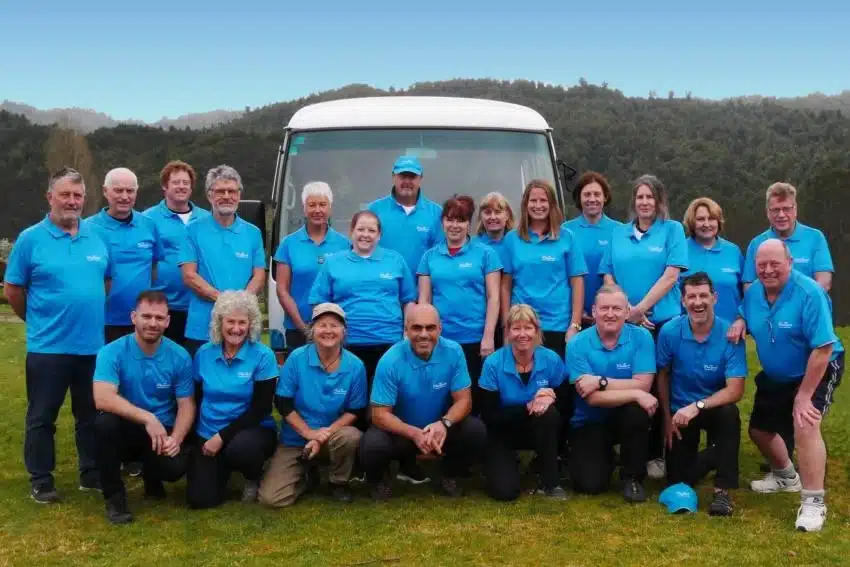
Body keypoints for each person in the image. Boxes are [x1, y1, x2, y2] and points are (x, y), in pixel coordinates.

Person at [4, 167, 110, 503]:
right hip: (48, 347)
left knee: (90, 415)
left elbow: (105, 281)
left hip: (91, 346)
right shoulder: (30, 239)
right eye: (65, 194)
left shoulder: (95, 237)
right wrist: (36, 319)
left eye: (78, 196)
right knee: (42, 416)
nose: (72, 201)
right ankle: (41, 479)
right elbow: (14, 289)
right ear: (50, 197)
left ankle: (90, 473)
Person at [728, 239, 844, 532]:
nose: (768, 270)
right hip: (778, 374)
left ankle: (813, 502)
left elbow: (823, 348)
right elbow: (746, 310)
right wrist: (741, 321)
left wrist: (804, 396)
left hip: (816, 367)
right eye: (761, 265)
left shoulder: (809, 293)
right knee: (759, 431)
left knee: (804, 422)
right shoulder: (754, 292)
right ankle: (786, 477)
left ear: (789, 263)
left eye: (774, 264)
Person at [599, 174, 688, 480]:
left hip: (661, 323)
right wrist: (625, 312)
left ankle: (660, 453)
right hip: (626, 324)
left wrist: (639, 310)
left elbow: (671, 275)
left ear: (659, 201)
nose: (645, 202)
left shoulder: (672, 230)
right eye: (640, 197)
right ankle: (629, 450)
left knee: (663, 389)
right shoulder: (619, 234)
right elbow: (607, 275)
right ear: (633, 202)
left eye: (650, 197)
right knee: (632, 386)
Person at [359, 304, 487, 500]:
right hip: (402, 431)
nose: (424, 334)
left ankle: (448, 473)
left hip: (438, 428)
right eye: (417, 328)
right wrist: (414, 433)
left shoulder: (454, 352)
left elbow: (465, 401)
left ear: (440, 329)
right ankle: (379, 480)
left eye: (430, 328)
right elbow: (379, 414)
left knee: (475, 430)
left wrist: (444, 424)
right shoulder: (390, 360)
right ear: (406, 330)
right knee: (373, 444)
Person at [92, 291, 195, 524]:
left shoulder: (179, 356)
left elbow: (186, 404)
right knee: (104, 424)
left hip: (162, 431)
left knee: (174, 469)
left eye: (159, 318)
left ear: (168, 321)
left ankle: (153, 477)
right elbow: (102, 397)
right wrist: (147, 418)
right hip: (127, 427)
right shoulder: (112, 352)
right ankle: (115, 499)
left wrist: (176, 439)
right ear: (133, 317)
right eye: (146, 316)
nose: (152, 323)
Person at [656, 273, 747, 516]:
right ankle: (718, 453)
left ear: (714, 298)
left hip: (713, 407)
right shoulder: (670, 332)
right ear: (683, 301)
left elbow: (735, 390)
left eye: (704, 295)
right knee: (679, 481)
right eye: (692, 296)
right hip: (680, 413)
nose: (698, 302)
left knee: (730, 414)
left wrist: (698, 406)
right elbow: (662, 375)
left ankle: (722, 492)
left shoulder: (730, 333)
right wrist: (666, 419)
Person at [259, 303, 366, 507]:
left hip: (333, 437)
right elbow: (283, 404)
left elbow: (355, 410)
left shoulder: (355, 366)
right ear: (312, 330)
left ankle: (338, 482)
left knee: (351, 436)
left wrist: (322, 436)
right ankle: (307, 476)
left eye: (334, 325)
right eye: (322, 325)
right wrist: (309, 434)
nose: (328, 331)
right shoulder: (296, 359)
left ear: (344, 331)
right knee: (271, 499)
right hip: (296, 439)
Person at [186, 291, 278, 509]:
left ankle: (252, 475)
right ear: (220, 321)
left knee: (241, 449)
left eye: (242, 322)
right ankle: (221, 468)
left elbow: (261, 408)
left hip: (251, 430)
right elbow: (196, 398)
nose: (236, 329)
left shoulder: (263, 356)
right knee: (200, 500)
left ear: (251, 324)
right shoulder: (204, 353)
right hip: (208, 431)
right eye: (230, 321)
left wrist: (222, 437)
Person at [567, 285, 657, 502]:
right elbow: (591, 397)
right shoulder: (577, 343)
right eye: (604, 308)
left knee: (636, 412)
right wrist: (634, 392)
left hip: (626, 417)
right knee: (589, 485)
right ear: (594, 311)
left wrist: (600, 381)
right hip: (589, 420)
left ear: (627, 312)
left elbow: (643, 385)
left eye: (616, 309)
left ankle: (633, 477)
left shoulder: (642, 337)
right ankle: (606, 456)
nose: (610, 314)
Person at [309, 210, 416, 388]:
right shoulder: (333, 263)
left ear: (379, 235)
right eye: (361, 229)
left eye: (371, 231)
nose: (365, 235)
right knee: (349, 400)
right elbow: (319, 304)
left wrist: (407, 334)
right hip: (346, 344)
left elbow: (409, 301)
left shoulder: (395, 260)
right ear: (351, 232)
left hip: (389, 343)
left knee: (385, 400)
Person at [418, 195, 501, 412]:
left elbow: (494, 297)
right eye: (450, 219)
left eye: (461, 220)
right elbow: (424, 302)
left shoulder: (486, 254)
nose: (455, 225)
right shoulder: (429, 257)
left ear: (469, 224)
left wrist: (488, 336)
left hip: (475, 340)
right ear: (443, 222)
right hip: (440, 341)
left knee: (473, 400)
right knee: (440, 398)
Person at [480, 304, 570, 501]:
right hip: (503, 432)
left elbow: (567, 404)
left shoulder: (552, 359)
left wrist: (552, 397)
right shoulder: (493, 363)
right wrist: (527, 407)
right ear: (508, 332)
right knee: (504, 493)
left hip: (541, 430)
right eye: (516, 328)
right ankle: (508, 464)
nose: (523, 334)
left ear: (537, 331)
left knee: (549, 413)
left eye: (528, 328)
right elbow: (489, 415)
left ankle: (551, 482)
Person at [179, 165, 266, 358]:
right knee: (199, 386)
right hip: (202, 328)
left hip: (242, 328)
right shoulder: (192, 231)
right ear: (210, 195)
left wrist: (238, 307)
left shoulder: (253, 233)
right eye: (220, 191)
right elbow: (189, 275)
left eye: (232, 191)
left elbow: (259, 276)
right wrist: (226, 302)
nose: (226, 196)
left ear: (239, 194)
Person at [501, 179, 587, 360]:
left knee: (557, 384)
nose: (538, 205)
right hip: (522, 326)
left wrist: (575, 325)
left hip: (557, 325)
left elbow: (577, 282)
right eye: (533, 201)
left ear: (551, 205)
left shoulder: (567, 238)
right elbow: (505, 286)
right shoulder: (511, 239)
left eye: (543, 201)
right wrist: (506, 327)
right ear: (525, 204)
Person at [85, 167, 164, 344]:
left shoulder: (149, 225)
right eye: (118, 190)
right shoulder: (87, 229)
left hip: (141, 323)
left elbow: (153, 267)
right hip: (100, 321)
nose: (124, 196)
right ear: (105, 191)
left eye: (130, 191)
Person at [274, 182, 349, 352]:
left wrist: (333, 325)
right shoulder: (288, 244)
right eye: (312, 204)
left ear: (330, 207)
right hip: (298, 330)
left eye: (322, 204)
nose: (317, 210)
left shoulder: (344, 244)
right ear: (304, 208)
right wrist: (304, 328)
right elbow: (282, 290)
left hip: (335, 330)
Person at [143, 160, 211, 345]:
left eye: (186, 183)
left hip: (200, 306)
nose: (181, 187)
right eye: (176, 182)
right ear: (165, 186)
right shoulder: (148, 219)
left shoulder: (207, 219)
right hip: (163, 307)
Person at [743, 182, 833, 292]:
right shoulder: (757, 243)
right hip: (770, 308)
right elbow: (749, 287)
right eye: (776, 210)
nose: (781, 215)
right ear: (767, 212)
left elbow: (824, 282)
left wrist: (798, 305)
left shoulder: (815, 238)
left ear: (795, 210)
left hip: (807, 307)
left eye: (786, 209)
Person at [562, 172, 622, 328]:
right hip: (573, 317)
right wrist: (576, 311)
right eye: (587, 194)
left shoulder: (619, 231)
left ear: (605, 197)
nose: (592, 199)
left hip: (610, 316)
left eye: (597, 194)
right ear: (579, 198)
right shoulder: (565, 230)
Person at [367, 155, 442, 272]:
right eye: (402, 176)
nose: (407, 181)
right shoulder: (374, 210)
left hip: (422, 288)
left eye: (412, 176)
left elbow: (439, 258)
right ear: (393, 177)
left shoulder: (436, 212)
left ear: (420, 178)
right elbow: (362, 251)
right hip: (382, 287)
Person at [680, 198, 743, 323]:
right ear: (692, 222)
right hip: (688, 332)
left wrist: (742, 318)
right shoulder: (679, 250)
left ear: (719, 222)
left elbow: (746, 293)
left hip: (730, 333)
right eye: (700, 219)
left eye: (712, 218)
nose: (707, 224)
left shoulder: (733, 251)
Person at [473, 191, 516, 267]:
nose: (492, 217)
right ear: (481, 217)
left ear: (507, 216)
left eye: (497, 212)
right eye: (487, 212)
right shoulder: (472, 246)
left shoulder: (516, 243)